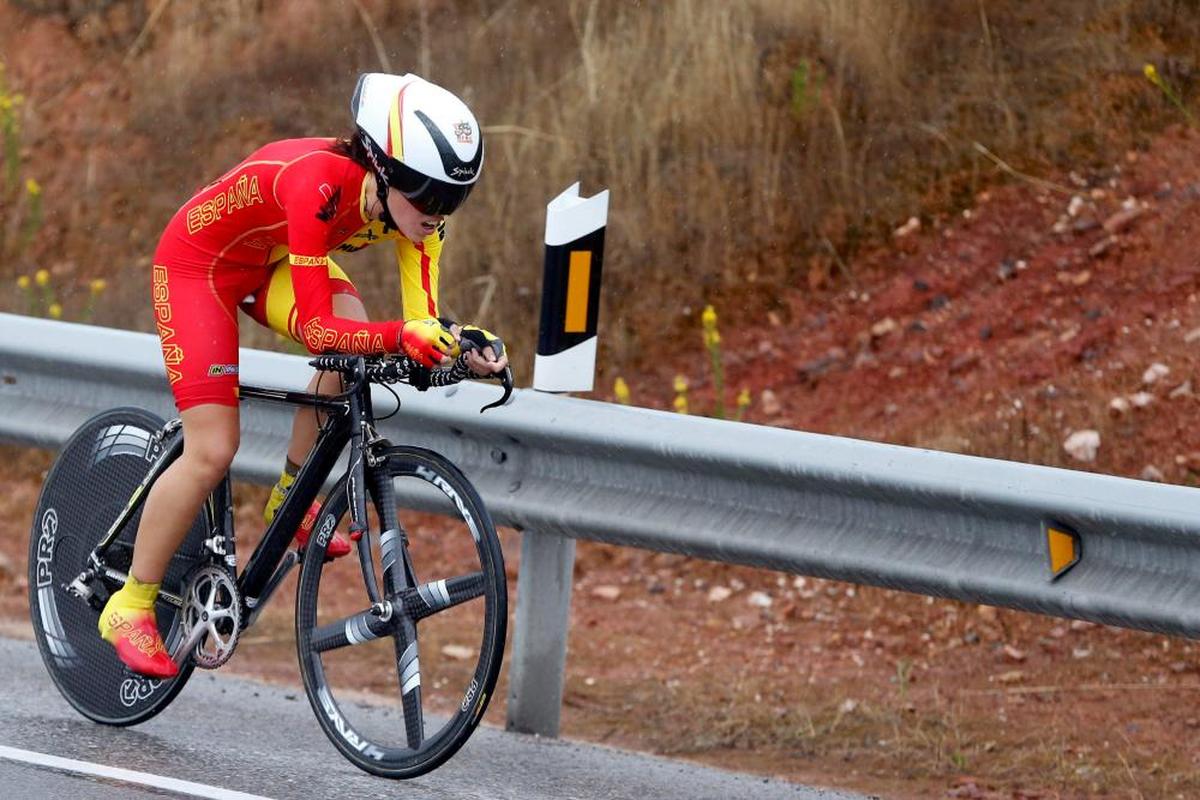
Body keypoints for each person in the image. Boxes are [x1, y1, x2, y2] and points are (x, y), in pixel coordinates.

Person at [98, 72, 507, 678]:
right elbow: (320, 332)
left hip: (270, 261)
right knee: (213, 448)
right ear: (382, 169)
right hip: (198, 270)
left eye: (453, 199)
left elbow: (420, 320)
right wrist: (402, 336)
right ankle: (129, 604)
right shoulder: (318, 184)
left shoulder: (417, 217)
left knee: (358, 339)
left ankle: (291, 497)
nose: (437, 213)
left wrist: (458, 345)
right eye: (427, 195)